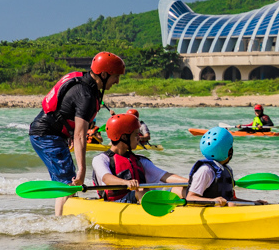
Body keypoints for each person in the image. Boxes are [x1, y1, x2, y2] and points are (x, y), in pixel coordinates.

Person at [28, 51, 125, 216]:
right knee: (68, 180)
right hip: (46, 135)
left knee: (66, 179)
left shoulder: (86, 84)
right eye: (115, 76)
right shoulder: (86, 95)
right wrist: (82, 170)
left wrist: (69, 136)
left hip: (52, 134)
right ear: (103, 74)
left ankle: (61, 220)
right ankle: (61, 224)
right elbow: (80, 135)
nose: (117, 81)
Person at [91, 113, 187, 202]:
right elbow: (107, 178)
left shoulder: (140, 160)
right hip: (117, 202)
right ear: (124, 137)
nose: (139, 138)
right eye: (136, 135)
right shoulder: (101, 159)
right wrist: (126, 182)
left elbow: (166, 176)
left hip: (142, 198)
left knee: (180, 189)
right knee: (142, 191)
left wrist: (189, 182)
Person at [186, 128, 269, 207]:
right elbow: (190, 197)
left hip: (223, 210)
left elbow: (231, 199)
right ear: (227, 151)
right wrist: (214, 201)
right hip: (208, 212)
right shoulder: (206, 171)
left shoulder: (226, 169)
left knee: (232, 205)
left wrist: (254, 203)